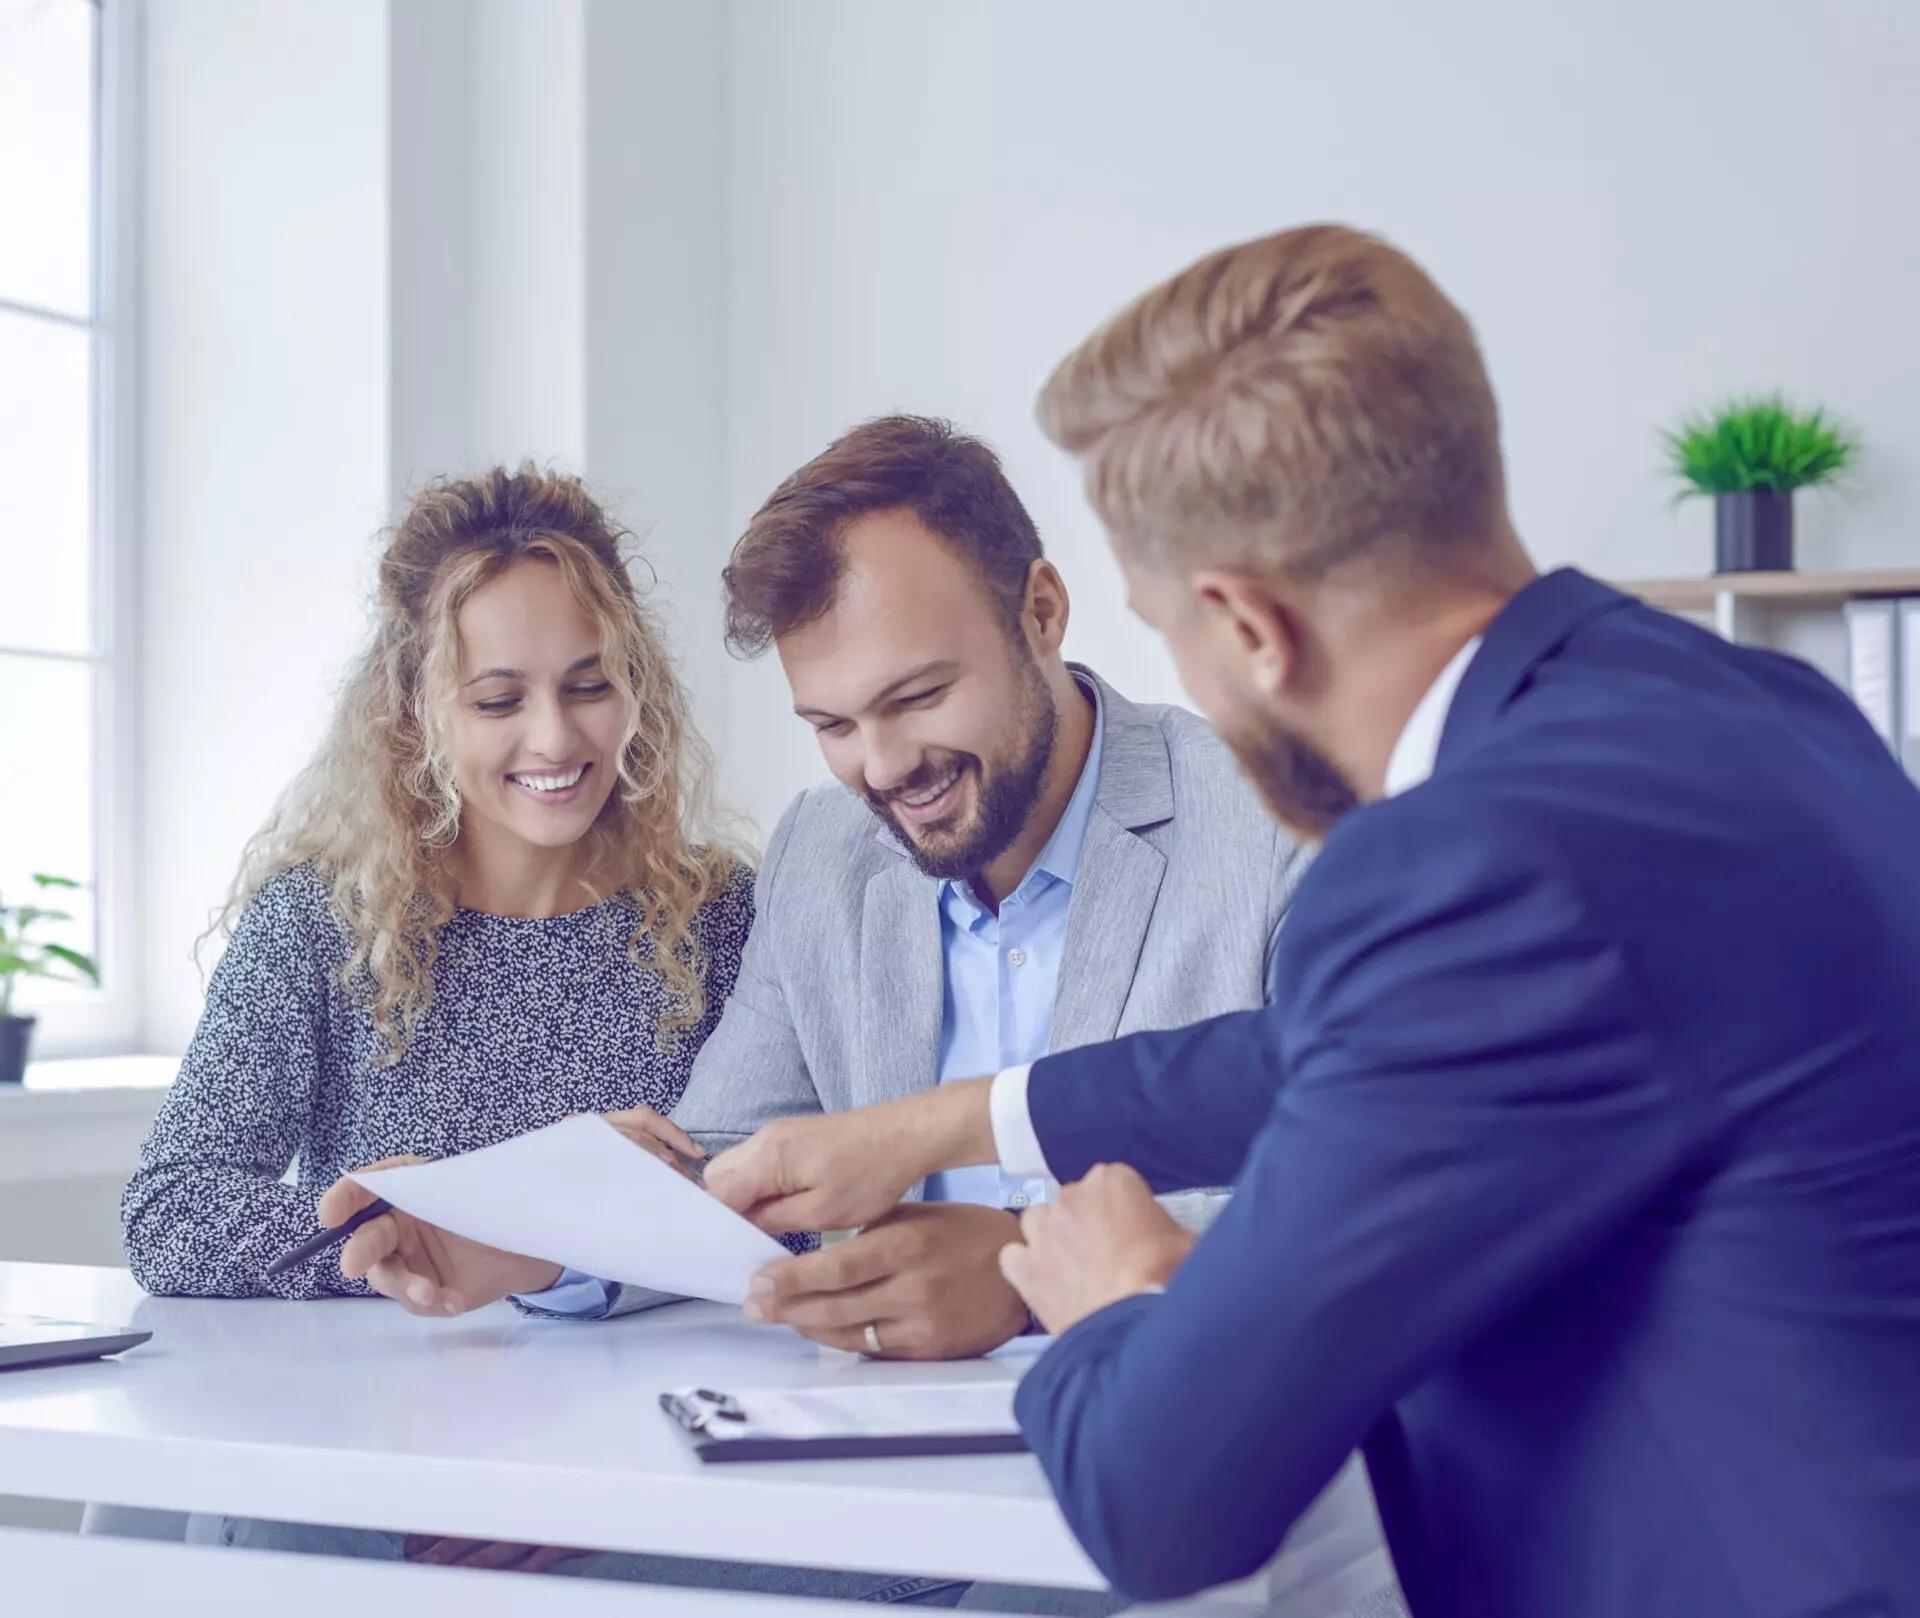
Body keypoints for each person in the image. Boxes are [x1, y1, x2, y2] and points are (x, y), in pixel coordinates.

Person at [699, 226, 1920, 1618]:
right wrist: (954, 1123)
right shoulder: (1755, 709)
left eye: (1164, 624)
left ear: (1248, 625)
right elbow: (1322, 1060)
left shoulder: (1470, 860)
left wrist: (1117, 1296)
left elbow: (1158, 1500)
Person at [322, 418, 1385, 1612]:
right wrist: (539, 1238)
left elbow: (1356, 1195)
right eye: (829, 725)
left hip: (1165, 1493)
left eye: (917, 696)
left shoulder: (1278, 816)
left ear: (1041, 610)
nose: (881, 767)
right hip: (872, 1486)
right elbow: (729, 1156)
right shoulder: (827, 851)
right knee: (362, 1561)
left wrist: (1020, 1270)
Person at [123, 464, 750, 1569]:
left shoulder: (720, 918)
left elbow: (774, 1222)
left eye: (590, 686)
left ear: (639, 690)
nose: (555, 739)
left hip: (635, 1462)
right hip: (377, 1447)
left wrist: (526, 1230)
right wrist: (457, 1219)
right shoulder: (322, 920)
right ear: (415, 714)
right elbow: (171, 1212)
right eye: (499, 700)